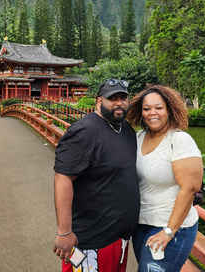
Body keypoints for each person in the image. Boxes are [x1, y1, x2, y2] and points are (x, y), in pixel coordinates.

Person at [53, 78, 140, 272]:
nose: (119, 102)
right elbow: (62, 178)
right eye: (112, 98)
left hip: (119, 236)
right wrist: (64, 232)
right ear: (99, 101)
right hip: (91, 240)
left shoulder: (126, 129)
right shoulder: (84, 131)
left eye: (123, 97)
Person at [128, 85, 203, 272]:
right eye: (147, 109)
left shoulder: (179, 141)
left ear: (169, 110)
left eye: (158, 108)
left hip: (172, 228)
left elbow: (190, 189)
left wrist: (169, 232)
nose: (152, 113)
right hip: (142, 225)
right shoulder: (138, 137)